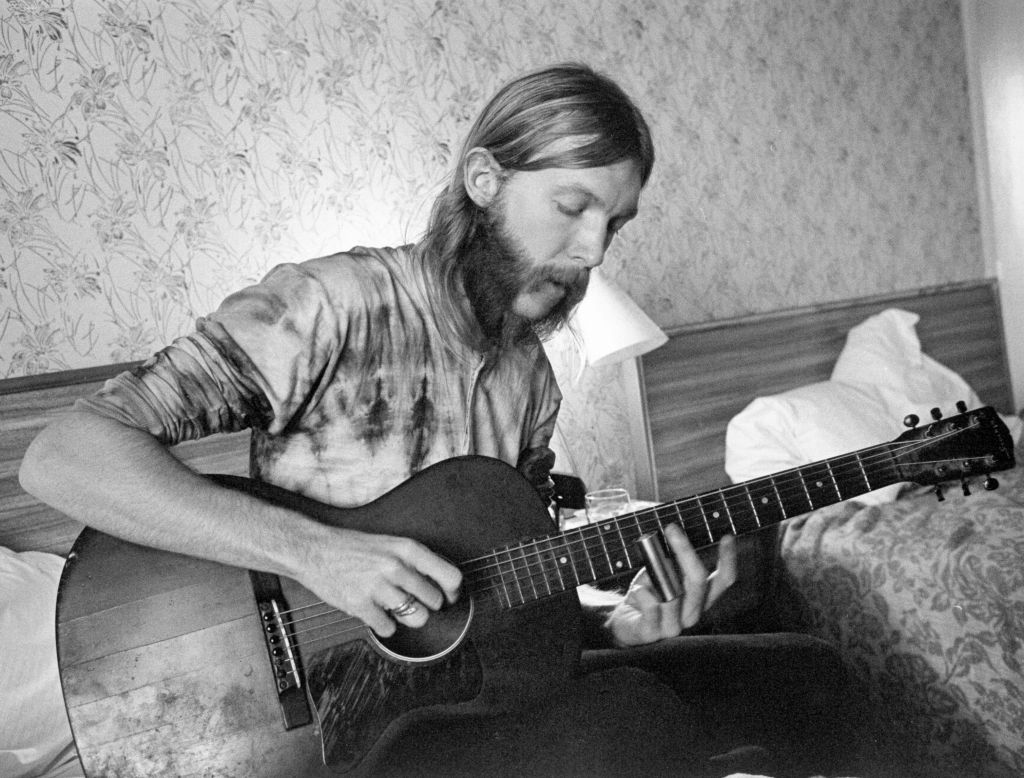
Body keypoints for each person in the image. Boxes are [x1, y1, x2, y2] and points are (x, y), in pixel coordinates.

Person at [21, 64, 858, 777]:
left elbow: (507, 600)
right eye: (573, 206)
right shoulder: (333, 305)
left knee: (811, 676)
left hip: (447, 707)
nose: (595, 251)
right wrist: (317, 553)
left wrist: (618, 622)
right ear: (484, 180)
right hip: (315, 729)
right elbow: (63, 457)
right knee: (628, 718)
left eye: (615, 222)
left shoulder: (531, 380)